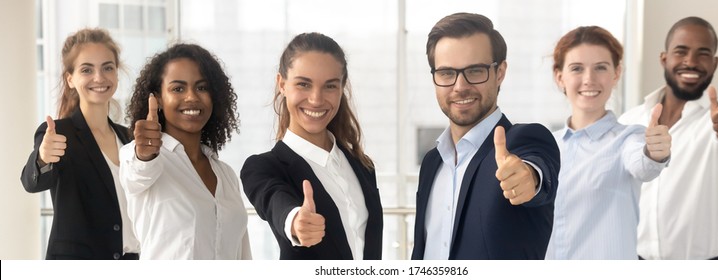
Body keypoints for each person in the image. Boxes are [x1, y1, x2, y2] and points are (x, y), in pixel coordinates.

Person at [410, 13, 560, 260]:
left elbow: (536, 172)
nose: (460, 86)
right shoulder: (431, 163)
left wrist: (528, 179)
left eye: (475, 70)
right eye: (447, 73)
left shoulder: (523, 141)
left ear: (500, 72)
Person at [619, 16, 718, 260]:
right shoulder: (630, 120)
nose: (691, 62)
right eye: (681, 51)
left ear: (714, 64)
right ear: (664, 58)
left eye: (703, 53)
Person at [241, 32, 383, 260]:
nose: (316, 99)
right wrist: (296, 221)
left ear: (341, 88)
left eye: (329, 86)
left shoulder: (362, 166)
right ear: (282, 84)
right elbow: (274, 201)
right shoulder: (263, 167)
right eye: (304, 84)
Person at [545, 26, 671, 260]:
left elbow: (643, 163)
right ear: (559, 76)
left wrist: (654, 153)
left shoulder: (629, 139)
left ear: (616, 73)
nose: (589, 79)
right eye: (577, 68)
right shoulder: (546, 147)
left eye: (600, 67)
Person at [119, 43, 250, 259]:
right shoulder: (139, 156)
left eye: (202, 87)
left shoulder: (226, 174)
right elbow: (139, 169)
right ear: (158, 98)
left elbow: (242, 254)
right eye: (178, 89)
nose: (192, 97)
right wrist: (145, 153)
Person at [20, 28, 140, 260]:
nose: (99, 77)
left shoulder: (129, 138)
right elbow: (30, 182)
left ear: (116, 74)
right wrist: (43, 158)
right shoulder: (57, 133)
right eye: (87, 69)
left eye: (108, 67)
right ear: (71, 79)